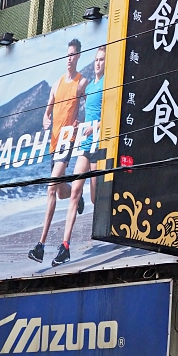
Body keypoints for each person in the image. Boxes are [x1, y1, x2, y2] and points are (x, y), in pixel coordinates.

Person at [28, 39, 88, 267]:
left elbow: (90, 102)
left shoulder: (81, 82)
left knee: (51, 188)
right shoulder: (56, 84)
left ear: (79, 56)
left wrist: (80, 123)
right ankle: (76, 193)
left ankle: (40, 246)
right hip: (53, 144)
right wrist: (45, 119)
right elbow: (47, 110)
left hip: (67, 141)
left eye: (73, 54)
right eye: (68, 54)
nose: (70, 58)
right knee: (62, 191)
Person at [60, 46, 104, 255]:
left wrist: (93, 127)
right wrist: (80, 125)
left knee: (95, 196)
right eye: (96, 59)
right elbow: (89, 114)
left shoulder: (107, 85)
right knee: (75, 191)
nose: (97, 63)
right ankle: (65, 244)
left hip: (98, 143)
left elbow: (110, 117)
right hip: (85, 144)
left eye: (102, 60)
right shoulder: (90, 87)